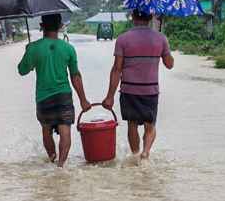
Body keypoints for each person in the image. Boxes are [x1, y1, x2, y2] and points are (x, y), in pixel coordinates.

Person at [17, 13, 91, 167]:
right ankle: (61, 165)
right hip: (64, 95)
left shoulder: (34, 48)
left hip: (43, 97)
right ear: (60, 27)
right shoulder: (68, 48)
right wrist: (83, 100)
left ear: (42, 26)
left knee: (46, 130)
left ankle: (51, 160)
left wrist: (28, 51)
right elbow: (75, 76)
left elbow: (22, 70)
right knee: (65, 130)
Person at [102, 9, 174, 161]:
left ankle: (135, 154)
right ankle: (146, 152)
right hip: (150, 90)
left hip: (129, 90)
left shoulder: (122, 39)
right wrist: (165, 47)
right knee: (150, 125)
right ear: (150, 18)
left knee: (132, 124)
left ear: (133, 17)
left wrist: (109, 97)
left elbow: (117, 69)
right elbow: (169, 64)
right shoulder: (160, 38)